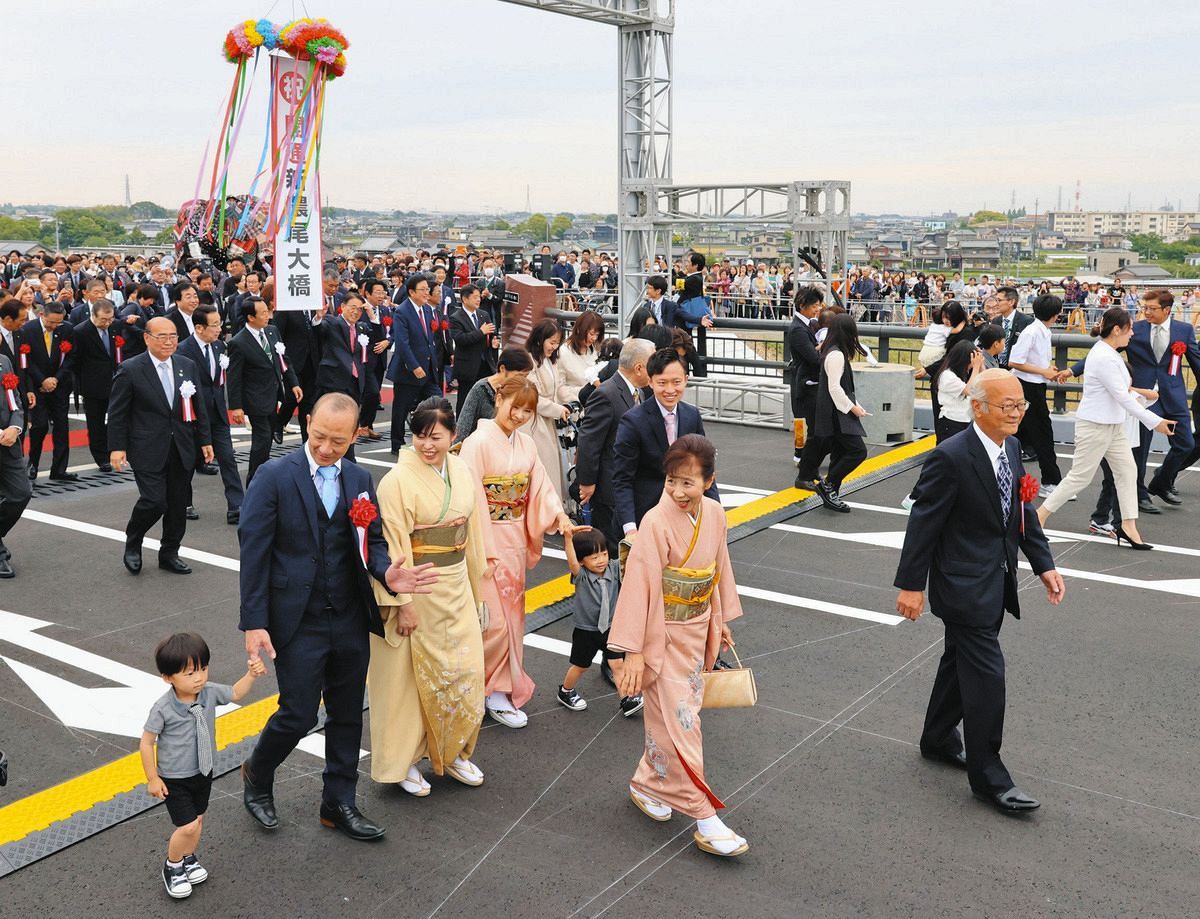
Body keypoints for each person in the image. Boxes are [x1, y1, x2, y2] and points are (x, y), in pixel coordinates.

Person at [238, 393, 439, 841]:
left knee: (348, 713)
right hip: (296, 618)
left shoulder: (359, 478)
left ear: (354, 436)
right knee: (298, 712)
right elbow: (253, 555)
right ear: (307, 424)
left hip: (349, 613)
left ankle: (338, 803)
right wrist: (255, 622)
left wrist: (389, 573)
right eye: (319, 437)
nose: (327, 448)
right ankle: (258, 772)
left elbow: (375, 541)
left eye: (339, 441)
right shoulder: (273, 477)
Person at [894, 368, 1064, 815]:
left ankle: (936, 738)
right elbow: (923, 522)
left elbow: (1023, 507)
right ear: (978, 407)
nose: (1016, 413)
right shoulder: (951, 457)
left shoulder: (1010, 447)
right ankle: (990, 776)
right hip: (962, 585)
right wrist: (912, 585)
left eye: (1021, 405)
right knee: (988, 675)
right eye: (1008, 406)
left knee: (958, 662)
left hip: (997, 578)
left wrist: (1043, 564)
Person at [609, 434, 747, 857]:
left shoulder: (717, 515)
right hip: (662, 634)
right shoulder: (655, 521)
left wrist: (719, 620)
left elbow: (719, 568)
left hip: (697, 627)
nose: (677, 491)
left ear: (709, 481)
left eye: (688, 482)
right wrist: (632, 649)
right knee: (684, 722)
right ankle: (704, 815)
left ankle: (648, 783)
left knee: (668, 717)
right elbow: (639, 584)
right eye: (672, 481)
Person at [366, 397, 496, 795]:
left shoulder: (461, 470)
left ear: (453, 436)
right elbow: (394, 546)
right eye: (420, 436)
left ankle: (453, 750)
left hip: (456, 583)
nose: (427, 445)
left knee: (464, 671)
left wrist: (480, 592)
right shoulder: (396, 482)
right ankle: (403, 761)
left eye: (436, 437)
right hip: (417, 589)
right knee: (406, 681)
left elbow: (471, 538)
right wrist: (401, 605)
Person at [458, 377, 575, 729]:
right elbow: (470, 498)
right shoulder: (477, 443)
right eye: (516, 407)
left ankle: (498, 689)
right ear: (499, 399)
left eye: (528, 411)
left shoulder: (525, 445)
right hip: (485, 538)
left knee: (512, 616)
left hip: (514, 537)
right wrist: (482, 545)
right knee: (490, 621)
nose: (521, 416)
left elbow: (540, 486)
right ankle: (484, 688)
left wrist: (559, 516)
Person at [140, 632, 265, 899]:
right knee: (186, 826)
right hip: (174, 777)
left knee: (198, 820)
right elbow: (146, 742)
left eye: (203, 669)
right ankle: (172, 865)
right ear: (167, 677)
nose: (199, 678)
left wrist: (251, 675)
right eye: (189, 673)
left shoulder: (207, 693)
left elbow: (235, 692)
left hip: (204, 771)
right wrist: (152, 778)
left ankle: (188, 858)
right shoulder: (163, 708)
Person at [1036, 307, 1174, 548]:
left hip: (1113, 426)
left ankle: (1128, 526)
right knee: (1079, 478)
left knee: (1128, 472)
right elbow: (1123, 396)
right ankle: (1038, 518)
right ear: (1117, 329)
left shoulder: (1107, 352)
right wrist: (1155, 421)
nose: (1132, 334)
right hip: (1095, 426)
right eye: (1129, 329)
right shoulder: (1103, 356)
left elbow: (1123, 395)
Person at [108, 317, 214, 576]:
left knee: (178, 504)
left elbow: (198, 407)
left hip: (182, 445)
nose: (169, 342)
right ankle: (134, 540)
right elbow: (118, 413)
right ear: (146, 338)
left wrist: (205, 440)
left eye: (174, 336)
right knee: (155, 501)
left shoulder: (186, 366)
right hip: (147, 447)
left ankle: (170, 552)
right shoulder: (131, 369)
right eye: (162, 336)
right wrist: (117, 448)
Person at [613, 348, 717, 536]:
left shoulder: (691, 415)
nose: (670, 390)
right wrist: (630, 529)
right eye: (662, 383)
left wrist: (716, 514)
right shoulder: (633, 421)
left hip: (684, 512)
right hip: (644, 516)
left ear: (686, 379)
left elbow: (705, 468)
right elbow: (622, 479)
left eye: (676, 382)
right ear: (650, 382)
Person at [575, 339, 655, 554]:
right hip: (608, 485)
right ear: (639, 367)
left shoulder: (642, 393)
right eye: (653, 363)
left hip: (631, 483)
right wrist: (587, 482)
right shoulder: (606, 394)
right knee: (612, 546)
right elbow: (589, 441)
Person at [557, 526, 643, 716]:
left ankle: (626, 699)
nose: (601, 560)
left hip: (612, 628)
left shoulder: (613, 568)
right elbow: (571, 562)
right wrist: (568, 539)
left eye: (603, 554)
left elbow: (630, 555)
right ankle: (566, 691)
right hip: (586, 631)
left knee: (617, 664)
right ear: (582, 560)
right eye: (594, 557)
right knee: (581, 666)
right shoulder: (581, 576)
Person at [1127, 289, 1200, 509]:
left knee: (1185, 443)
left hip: (1174, 395)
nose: (1146, 312)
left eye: (1152, 308)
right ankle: (1139, 495)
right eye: (1144, 308)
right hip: (1146, 398)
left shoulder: (1184, 330)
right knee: (1141, 449)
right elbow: (1107, 348)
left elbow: (1196, 362)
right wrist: (1073, 371)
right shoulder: (1134, 329)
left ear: (1167, 310)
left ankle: (1160, 481)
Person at [176, 306, 244, 525]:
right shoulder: (183, 350)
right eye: (214, 325)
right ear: (199, 327)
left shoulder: (219, 346)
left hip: (217, 413)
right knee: (188, 461)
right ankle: (183, 502)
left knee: (228, 458)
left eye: (219, 324)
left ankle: (236, 505)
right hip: (193, 414)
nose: (219, 329)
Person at [226, 297, 301, 485]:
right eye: (263, 313)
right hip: (255, 398)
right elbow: (234, 377)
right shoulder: (239, 342)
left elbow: (284, 359)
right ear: (250, 317)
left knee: (266, 439)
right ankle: (254, 480)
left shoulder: (272, 331)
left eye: (267, 311)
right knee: (262, 440)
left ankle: (262, 475)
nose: (268, 315)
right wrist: (236, 407)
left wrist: (293, 383)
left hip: (273, 394)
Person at [808, 314, 870, 513]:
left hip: (836, 411)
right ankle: (828, 485)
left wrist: (856, 406)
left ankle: (831, 491)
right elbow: (835, 388)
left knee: (841, 452)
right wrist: (853, 408)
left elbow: (841, 387)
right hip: (837, 414)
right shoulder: (836, 355)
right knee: (857, 451)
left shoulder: (833, 351)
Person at [1008, 294, 1065, 496]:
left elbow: (1034, 360)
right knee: (1042, 434)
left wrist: (1047, 369)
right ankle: (1051, 482)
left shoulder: (1043, 331)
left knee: (1017, 435)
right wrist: (1043, 371)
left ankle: (1008, 479)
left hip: (1035, 387)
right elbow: (1014, 361)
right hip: (1026, 388)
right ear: (1055, 315)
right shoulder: (1032, 332)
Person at [18, 301, 76, 482]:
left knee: (61, 426)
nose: (54, 326)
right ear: (42, 315)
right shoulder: (28, 330)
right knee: (39, 426)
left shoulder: (67, 329)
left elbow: (70, 358)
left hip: (59, 385)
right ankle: (32, 464)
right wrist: (42, 380)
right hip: (37, 386)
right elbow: (26, 360)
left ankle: (59, 469)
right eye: (51, 322)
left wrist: (56, 379)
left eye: (58, 323)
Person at [387, 274, 442, 453]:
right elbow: (402, 343)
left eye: (428, 289)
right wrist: (414, 366)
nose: (427, 293)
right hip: (408, 370)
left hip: (428, 369)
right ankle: (397, 443)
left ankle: (434, 437)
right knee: (401, 408)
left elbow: (429, 340)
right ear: (411, 292)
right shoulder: (402, 311)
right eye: (423, 289)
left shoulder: (426, 309)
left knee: (438, 404)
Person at [522, 319, 570, 501]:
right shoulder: (529, 360)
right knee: (544, 467)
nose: (554, 346)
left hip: (549, 419)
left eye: (557, 343)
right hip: (534, 423)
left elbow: (558, 390)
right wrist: (558, 409)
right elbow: (532, 397)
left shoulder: (551, 361)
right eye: (552, 342)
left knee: (552, 467)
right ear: (539, 340)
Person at [72, 298, 118, 471]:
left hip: (114, 381)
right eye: (103, 320)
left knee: (115, 419)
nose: (107, 323)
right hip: (93, 384)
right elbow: (75, 360)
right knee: (96, 422)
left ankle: (114, 449)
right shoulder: (81, 331)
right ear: (93, 315)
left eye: (110, 319)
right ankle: (101, 457)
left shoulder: (115, 327)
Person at [453, 346, 534, 444]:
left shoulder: (516, 390)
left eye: (526, 377)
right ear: (503, 368)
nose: (522, 381)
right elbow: (463, 428)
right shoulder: (480, 389)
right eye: (520, 376)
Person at [787, 287, 824, 480]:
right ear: (802, 306)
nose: (817, 309)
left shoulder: (810, 324)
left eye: (819, 305)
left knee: (806, 422)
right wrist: (823, 346)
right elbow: (812, 357)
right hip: (804, 383)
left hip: (807, 381)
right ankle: (803, 459)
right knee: (807, 423)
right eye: (814, 306)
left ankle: (802, 456)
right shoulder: (798, 330)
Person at [0, 348, 31, 578]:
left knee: (21, 494)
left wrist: (15, 426)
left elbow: (16, 400)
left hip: (9, 443)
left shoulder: (3, 362)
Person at [448, 283, 497, 417]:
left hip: (485, 363)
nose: (478, 299)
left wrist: (493, 342)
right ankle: (461, 429)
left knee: (486, 398)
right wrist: (481, 332)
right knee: (465, 400)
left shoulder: (483, 314)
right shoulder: (456, 317)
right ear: (464, 299)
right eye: (475, 297)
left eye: (479, 296)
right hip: (467, 365)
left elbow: (491, 334)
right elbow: (461, 339)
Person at [314, 290, 371, 405]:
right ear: (343, 306)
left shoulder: (362, 327)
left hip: (356, 380)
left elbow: (378, 339)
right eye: (353, 307)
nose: (356, 312)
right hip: (334, 379)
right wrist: (318, 318)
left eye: (360, 309)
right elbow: (319, 330)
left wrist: (372, 315)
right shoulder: (332, 322)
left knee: (352, 415)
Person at [933, 341, 985, 443]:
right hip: (951, 423)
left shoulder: (963, 374)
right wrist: (975, 368)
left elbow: (986, 383)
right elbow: (968, 391)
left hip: (965, 421)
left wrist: (981, 365)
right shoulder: (947, 376)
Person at [556, 310, 604, 405]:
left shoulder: (595, 350)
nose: (594, 338)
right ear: (579, 330)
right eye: (591, 334)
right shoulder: (563, 353)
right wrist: (586, 393)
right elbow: (559, 388)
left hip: (595, 405)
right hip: (575, 408)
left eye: (597, 335)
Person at [990, 285, 1032, 369]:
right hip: (997, 369)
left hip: (1017, 370)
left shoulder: (1027, 322)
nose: (996, 304)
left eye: (999, 300)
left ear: (1011, 302)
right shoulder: (995, 321)